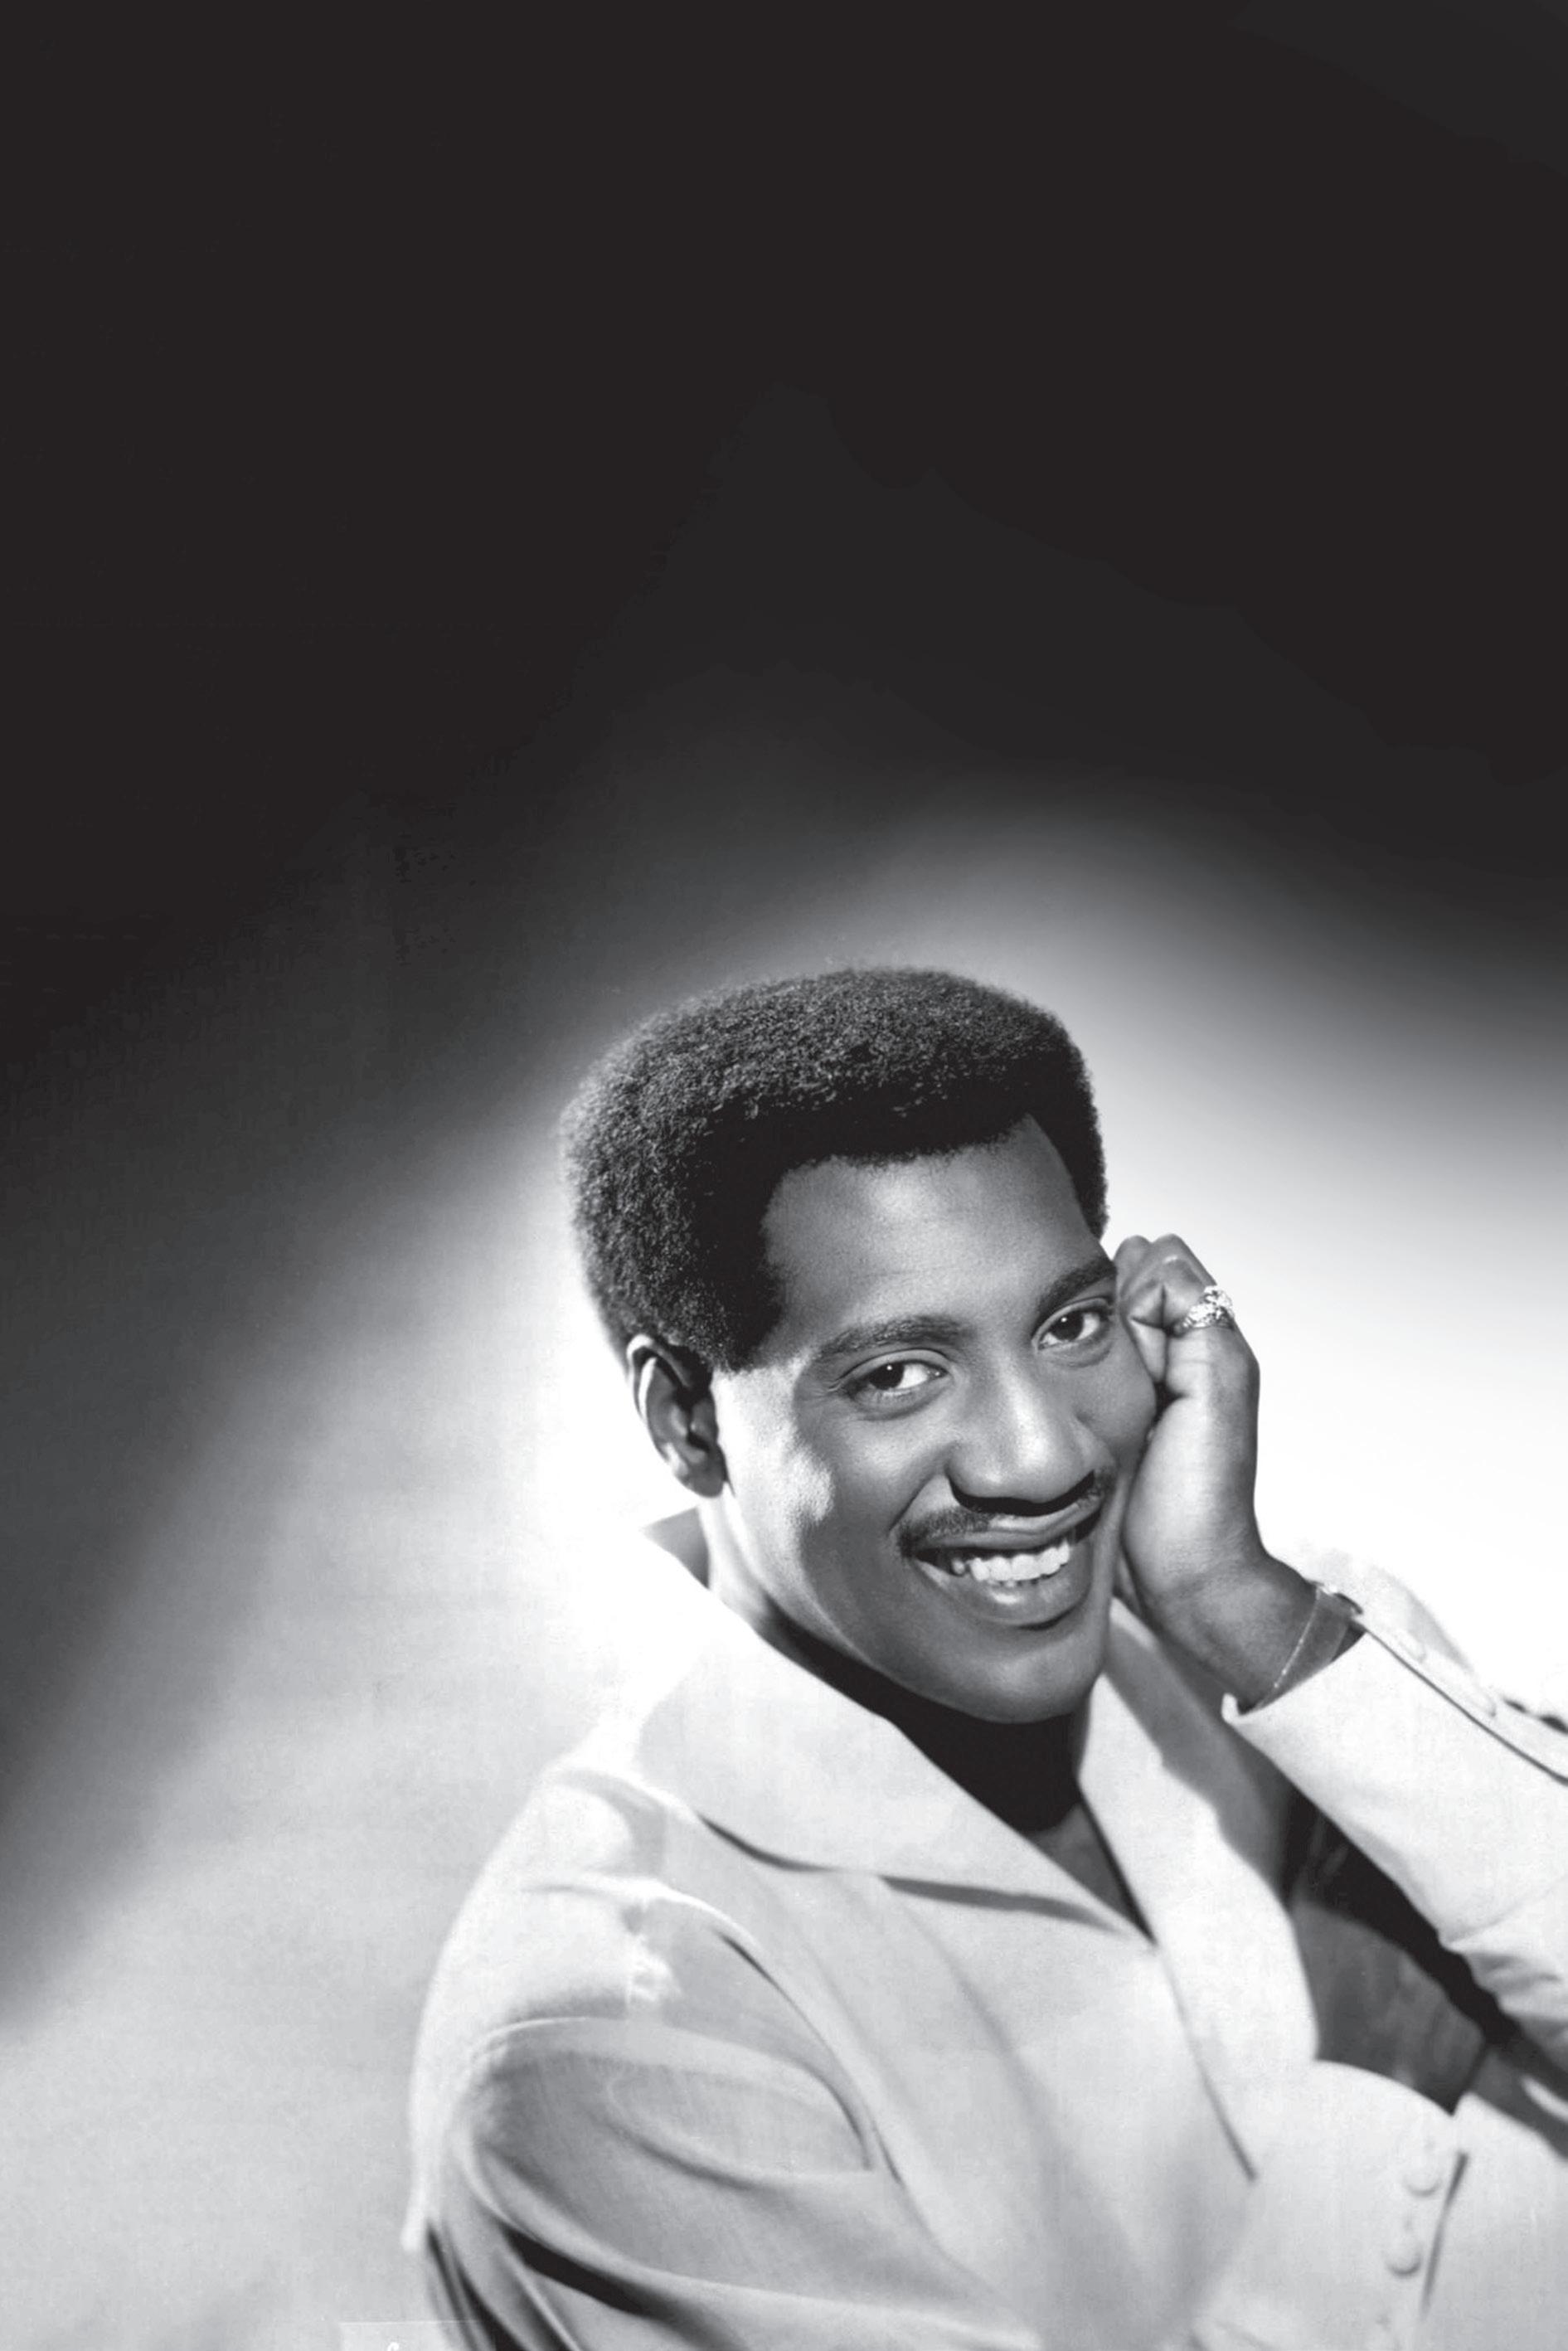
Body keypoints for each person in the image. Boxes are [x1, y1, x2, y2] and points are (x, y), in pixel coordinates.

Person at [405, 967, 1568, 2350]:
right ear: (687, 1422)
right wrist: (1374, 2098)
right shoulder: (609, 2035)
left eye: (1071, 1326)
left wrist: (1242, 1605)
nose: (1043, 1457)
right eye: (898, 1373)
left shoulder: (1301, 1655)